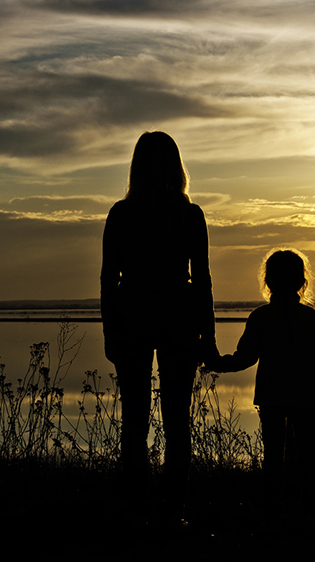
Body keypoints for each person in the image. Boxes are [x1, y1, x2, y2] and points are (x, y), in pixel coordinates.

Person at [100, 131, 217, 519]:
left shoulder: (121, 213)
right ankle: (174, 505)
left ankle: (136, 505)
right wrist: (209, 334)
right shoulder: (189, 214)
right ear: (177, 167)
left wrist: (108, 329)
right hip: (178, 315)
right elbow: (201, 278)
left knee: (134, 417)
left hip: (131, 312)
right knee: (176, 417)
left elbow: (108, 277)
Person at [205, 249, 315, 508]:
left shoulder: (261, 317)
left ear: (268, 282)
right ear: (302, 282)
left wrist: (217, 362)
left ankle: (273, 511)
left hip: (272, 396)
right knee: (307, 457)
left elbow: (245, 358)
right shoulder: (311, 318)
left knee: (273, 457)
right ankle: (308, 510)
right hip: (306, 397)